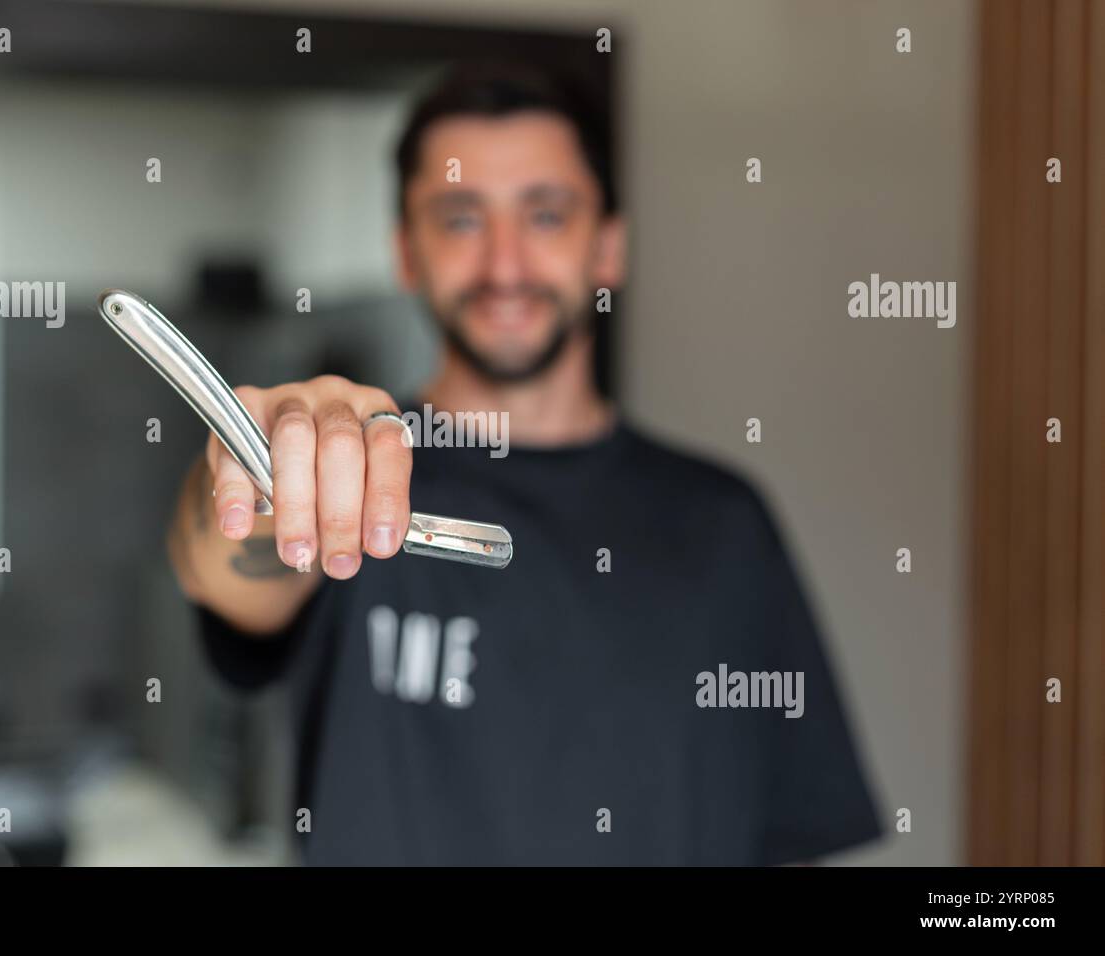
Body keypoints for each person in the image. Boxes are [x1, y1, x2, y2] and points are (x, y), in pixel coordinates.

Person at [166, 62, 882, 865]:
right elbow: (221, 569)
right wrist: (260, 469)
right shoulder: (360, 483)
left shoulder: (726, 524)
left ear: (607, 247)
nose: (505, 264)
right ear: (407, 253)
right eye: (461, 219)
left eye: (545, 216)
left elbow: (790, 838)